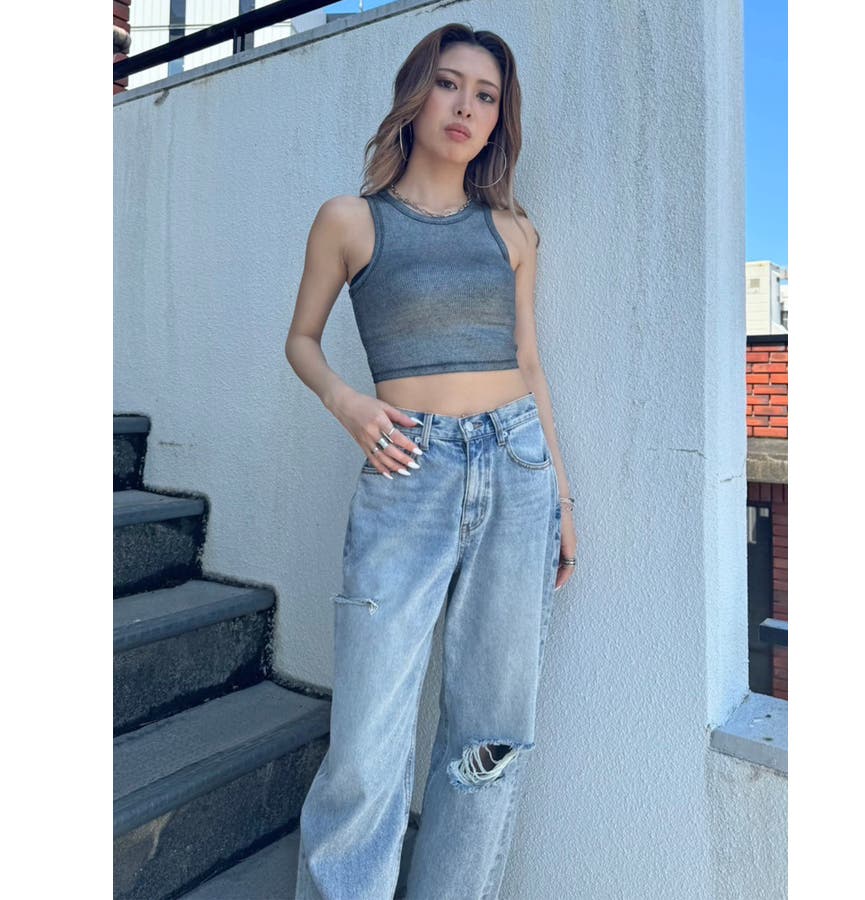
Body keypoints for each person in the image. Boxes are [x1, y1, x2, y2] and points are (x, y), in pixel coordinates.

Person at [284, 22, 577, 900]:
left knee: (488, 737)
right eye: (450, 84)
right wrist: (349, 405)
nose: (466, 107)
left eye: (486, 96)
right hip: (408, 473)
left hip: (516, 470)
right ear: (417, 95)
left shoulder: (513, 232)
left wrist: (561, 498)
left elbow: (529, 364)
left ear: (498, 121)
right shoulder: (350, 221)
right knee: (365, 745)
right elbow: (302, 341)